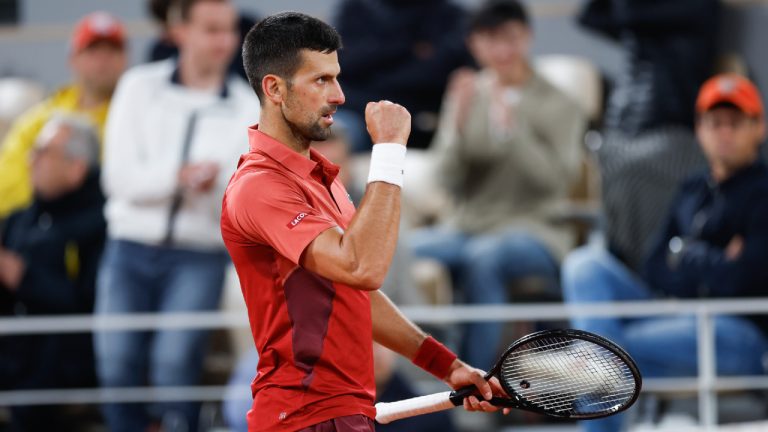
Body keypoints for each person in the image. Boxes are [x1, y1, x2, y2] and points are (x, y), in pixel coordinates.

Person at [221, 12, 508, 432]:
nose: (338, 94)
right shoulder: (259, 186)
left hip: (339, 412)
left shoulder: (322, 178)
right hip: (305, 418)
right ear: (274, 89)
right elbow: (362, 266)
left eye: (336, 78)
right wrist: (390, 150)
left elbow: (354, 289)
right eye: (320, 80)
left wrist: (446, 365)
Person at [562, 73, 768, 432]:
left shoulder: (763, 191)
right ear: (699, 129)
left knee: (607, 352)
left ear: (759, 128)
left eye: (735, 123)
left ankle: (593, 381)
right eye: (714, 123)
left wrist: (684, 255)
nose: (724, 132)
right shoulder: (692, 186)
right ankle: (598, 361)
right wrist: (712, 260)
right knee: (584, 265)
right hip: (669, 312)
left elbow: (744, 279)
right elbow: (653, 266)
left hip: (737, 331)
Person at [95, 0, 260, 430]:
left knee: (175, 369)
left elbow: (237, 197)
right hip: (128, 248)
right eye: (211, 29)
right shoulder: (137, 86)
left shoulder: (247, 106)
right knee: (116, 365)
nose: (224, 41)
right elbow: (118, 179)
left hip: (198, 253)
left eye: (228, 30)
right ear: (180, 31)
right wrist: (178, 178)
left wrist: (206, 187)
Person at [407, 0, 586, 370]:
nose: (502, 50)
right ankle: (415, 367)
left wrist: (513, 129)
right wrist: (456, 124)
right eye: (490, 40)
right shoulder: (467, 93)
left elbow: (557, 183)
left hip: (536, 230)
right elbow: (446, 178)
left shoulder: (561, 103)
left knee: (484, 258)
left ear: (527, 38)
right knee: (395, 248)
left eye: (510, 38)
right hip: (467, 226)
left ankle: (475, 385)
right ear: (475, 45)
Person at [578, 0, 720, 272]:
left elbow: (627, 12)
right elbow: (591, 16)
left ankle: (645, 269)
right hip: (625, 124)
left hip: (674, 129)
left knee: (632, 169)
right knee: (604, 156)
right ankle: (623, 260)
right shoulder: (643, 22)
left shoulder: (693, 7)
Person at [0, 114, 106, 431]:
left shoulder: (101, 224)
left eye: (44, 151)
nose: (32, 160)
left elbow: (90, 304)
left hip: (59, 366)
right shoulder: (20, 219)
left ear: (76, 168)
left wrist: (23, 277)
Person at [0, 11, 126, 219]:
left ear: (124, 59)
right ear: (73, 58)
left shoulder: (133, 116)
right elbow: (6, 183)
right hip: (41, 234)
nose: (103, 60)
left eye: (112, 50)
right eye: (93, 50)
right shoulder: (39, 120)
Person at [332, 0, 474, 151]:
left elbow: (434, 74)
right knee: (333, 136)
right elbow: (343, 63)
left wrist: (375, 66)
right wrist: (408, 48)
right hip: (357, 112)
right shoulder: (356, 9)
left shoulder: (450, 16)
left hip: (422, 119)